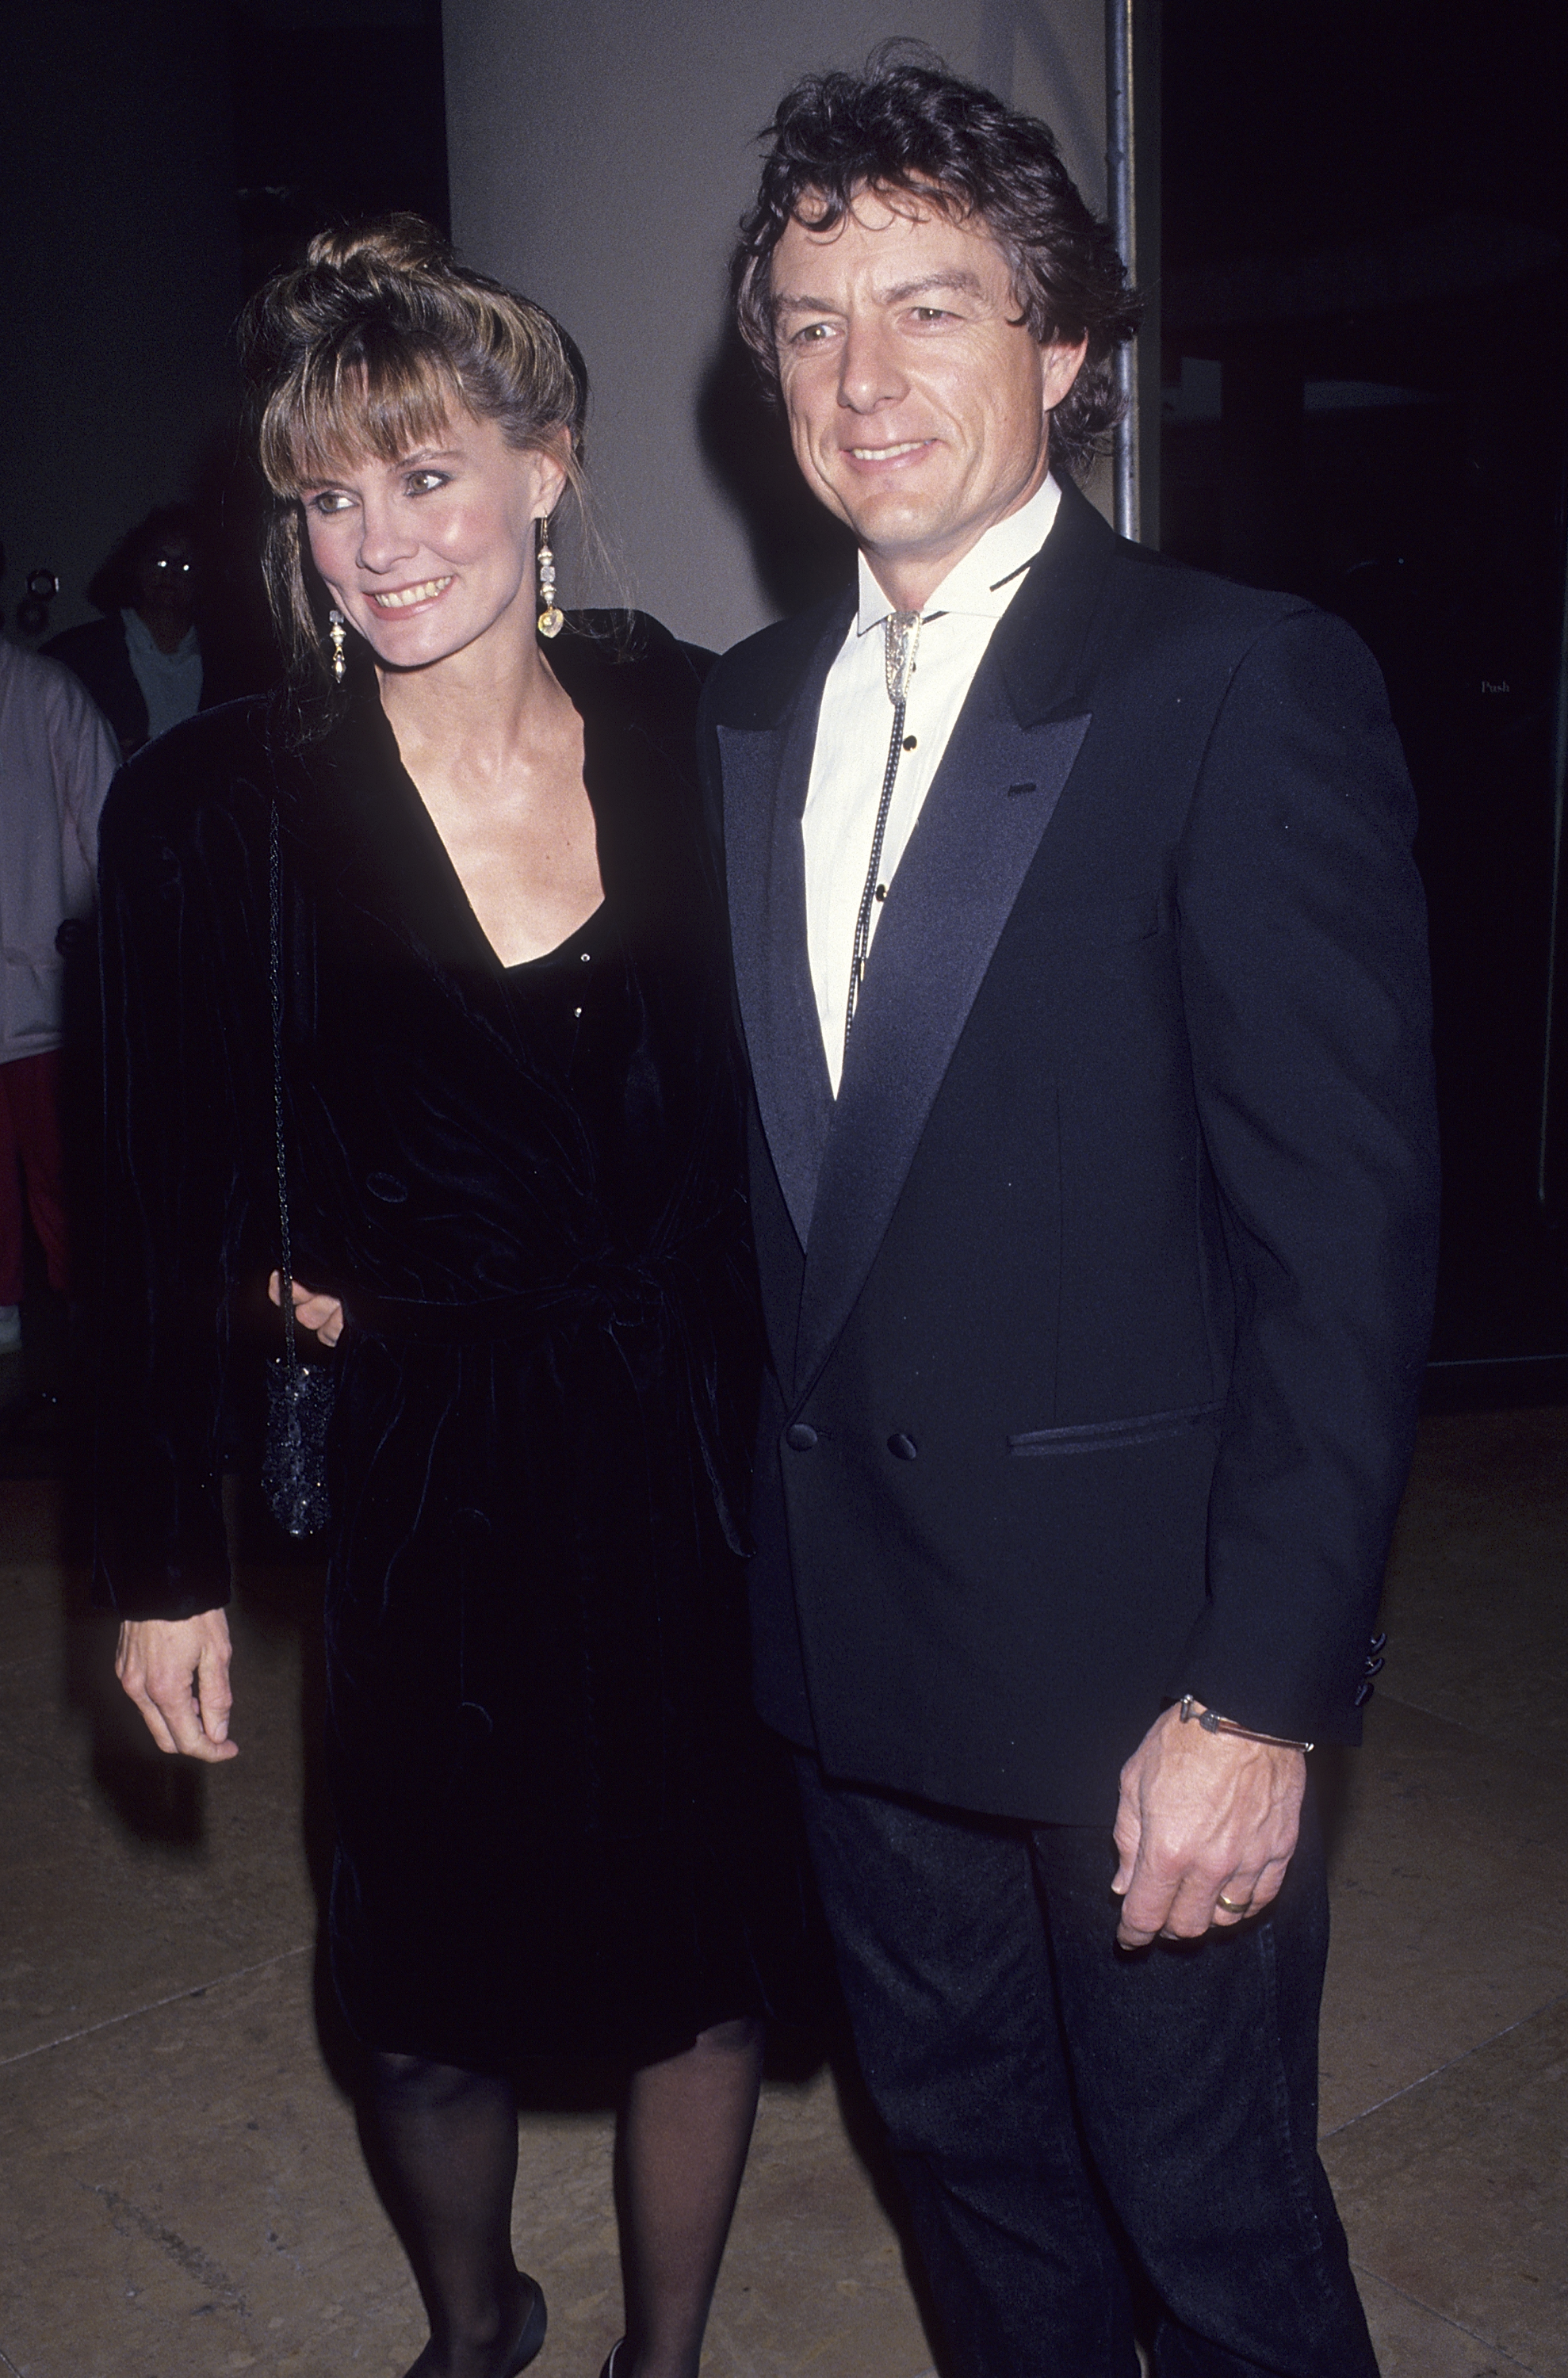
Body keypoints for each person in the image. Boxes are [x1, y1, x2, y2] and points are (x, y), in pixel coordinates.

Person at [698, 52, 1439, 2378]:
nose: (865, 374)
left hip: (1143, 1677)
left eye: (931, 306)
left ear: (1063, 350)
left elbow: (1342, 1244)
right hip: (854, 1666)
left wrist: (1255, 1693)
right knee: (979, 2206)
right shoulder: (734, 716)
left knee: (1205, 2221)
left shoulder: (1232, 683)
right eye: (812, 321)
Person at [97, 218, 807, 2378]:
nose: (376, 543)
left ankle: (660, 2358)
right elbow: (149, 1200)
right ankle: (475, 2321)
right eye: (327, 495)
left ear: (548, 467)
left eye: (424, 475)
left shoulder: (706, 721)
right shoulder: (223, 801)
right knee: (418, 1993)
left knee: (699, 1963)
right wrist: (164, 1565)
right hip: (429, 1474)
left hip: (686, 1442)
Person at [0, 633, 118, 1355]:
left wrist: (90, 943)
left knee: (62, 1175)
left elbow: (108, 821)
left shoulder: (47, 692)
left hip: (44, 989)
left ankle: (89, 1318)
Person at [45, 504, 205, 758]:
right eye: (160, 561)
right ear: (137, 566)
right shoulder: (82, 653)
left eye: (184, 566)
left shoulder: (225, 664)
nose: (171, 575)